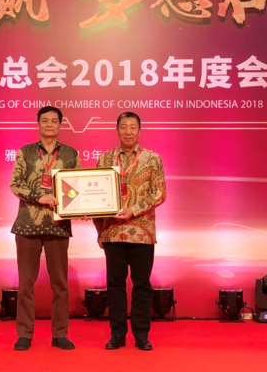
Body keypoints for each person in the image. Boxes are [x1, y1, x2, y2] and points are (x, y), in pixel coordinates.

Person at [9, 106, 80, 351]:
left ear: (60, 125)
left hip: (58, 225)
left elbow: (77, 187)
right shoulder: (25, 152)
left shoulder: (71, 154)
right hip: (27, 225)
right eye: (45, 120)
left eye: (54, 121)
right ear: (38, 124)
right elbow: (15, 184)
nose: (49, 124)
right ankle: (24, 334)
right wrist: (39, 197)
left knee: (60, 284)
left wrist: (80, 207)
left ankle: (60, 334)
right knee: (25, 284)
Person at [94, 112, 166, 351]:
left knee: (142, 285)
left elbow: (159, 193)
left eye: (132, 127)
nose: (128, 131)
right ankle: (117, 334)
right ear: (116, 130)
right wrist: (99, 229)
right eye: (123, 127)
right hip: (112, 233)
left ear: (139, 131)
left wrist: (133, 210)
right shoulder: (105, 159)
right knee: (114, 285)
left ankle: (141, 335)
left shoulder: (152, 159)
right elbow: (95, 196)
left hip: (142, 232)